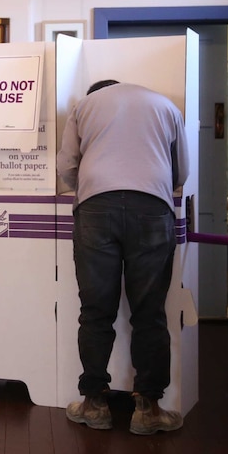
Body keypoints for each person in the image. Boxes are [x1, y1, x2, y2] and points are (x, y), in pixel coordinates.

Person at [56, 80, 190, 435]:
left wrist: (88, 187)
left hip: (97, 208)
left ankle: (94, 404)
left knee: (96, 310)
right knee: (149, 313)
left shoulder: (84, 106)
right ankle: (148, 408)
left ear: (97, 92)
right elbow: (181, 173)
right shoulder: (165, 104)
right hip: (152, 207)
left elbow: (67, 166)